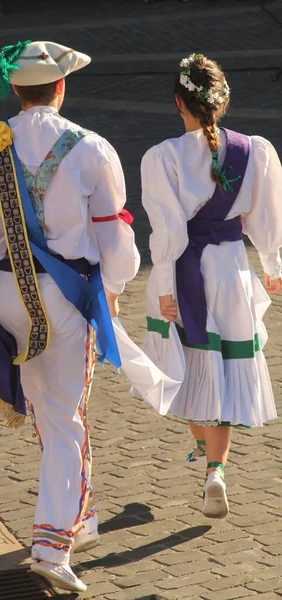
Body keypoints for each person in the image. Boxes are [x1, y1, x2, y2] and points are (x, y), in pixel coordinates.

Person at [0, 40, 140, 592]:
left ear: (16, 92)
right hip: (65, 296)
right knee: (66, 416)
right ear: (62, 87)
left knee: (52, 412)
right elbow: (113, 234)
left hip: (3, 294)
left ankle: (82, 512)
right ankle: (53, 542)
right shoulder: (92, 147)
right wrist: (114, 290)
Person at [141, 53, 282, 519]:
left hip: (187, 270)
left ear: (178, 101)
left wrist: (163, 283)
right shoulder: (254, 149)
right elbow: (265, 218)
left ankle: (203, 452)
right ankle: (215, 470)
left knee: (195, 365)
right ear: (221, 101)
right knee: (223, 365)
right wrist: (272, 262)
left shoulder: (162, 157)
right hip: (231, 270)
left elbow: (168, 233)